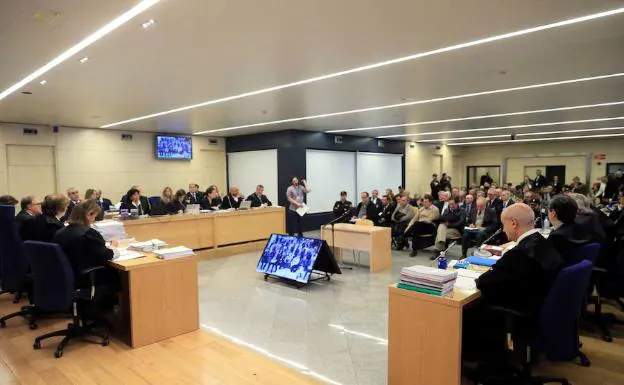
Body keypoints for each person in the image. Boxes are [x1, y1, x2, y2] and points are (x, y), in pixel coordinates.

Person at [463, 203, 563, 361]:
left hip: (521, 308)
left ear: (513, 223)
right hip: (538, 304)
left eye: (504, 225)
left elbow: (485, 282)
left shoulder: (520, 254)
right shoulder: (542, 242)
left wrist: (485, 275)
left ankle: (484, 361)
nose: (503, 230)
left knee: (469, 308)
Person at [53, 200, 120, 299]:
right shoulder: (88, 233)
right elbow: (105, 256)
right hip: (84, 277)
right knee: (116, 274)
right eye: (94, 217)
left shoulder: (60, 232)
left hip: (66, 275)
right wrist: (113, 247)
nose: (94, 220)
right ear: (89, 214)